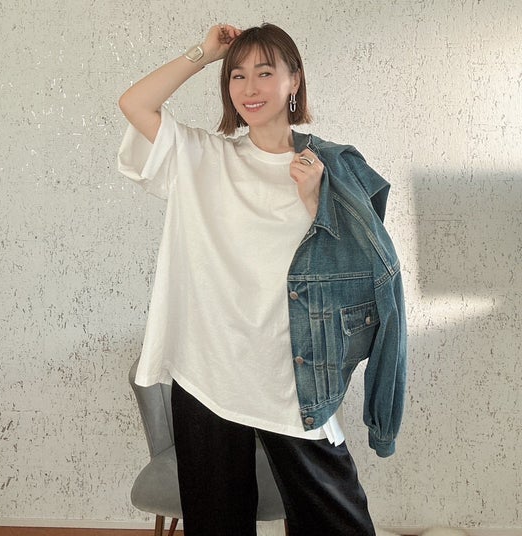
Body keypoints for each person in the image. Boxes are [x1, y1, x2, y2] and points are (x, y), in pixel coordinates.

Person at [118, 23, 406, 536]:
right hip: (208, 374)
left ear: (294, 80)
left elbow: (371, 277)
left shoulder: (331, 167)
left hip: (295, 377)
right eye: (238, 75)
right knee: (217, 524)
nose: (250, 88)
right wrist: (205, 52)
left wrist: (316, 203)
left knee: (338, 522)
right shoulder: (203, 157)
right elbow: (135, 104)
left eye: (266, 73)